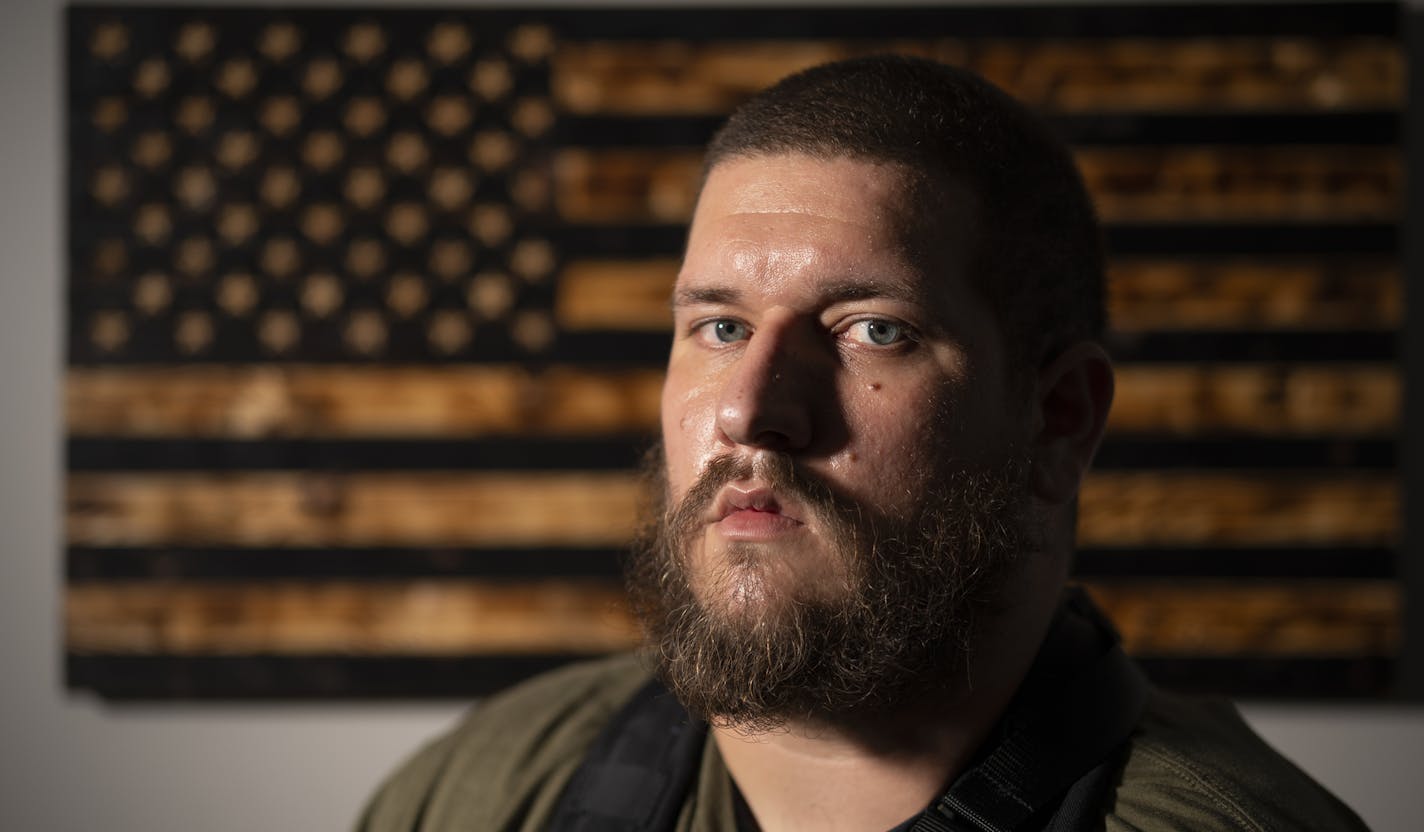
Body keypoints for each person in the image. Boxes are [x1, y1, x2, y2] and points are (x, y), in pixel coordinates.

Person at [357, 55, 1370, 831]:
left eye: (872, 330)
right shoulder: (484, 788)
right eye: (720, 326)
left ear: (1058, 418)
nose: (751, 411)